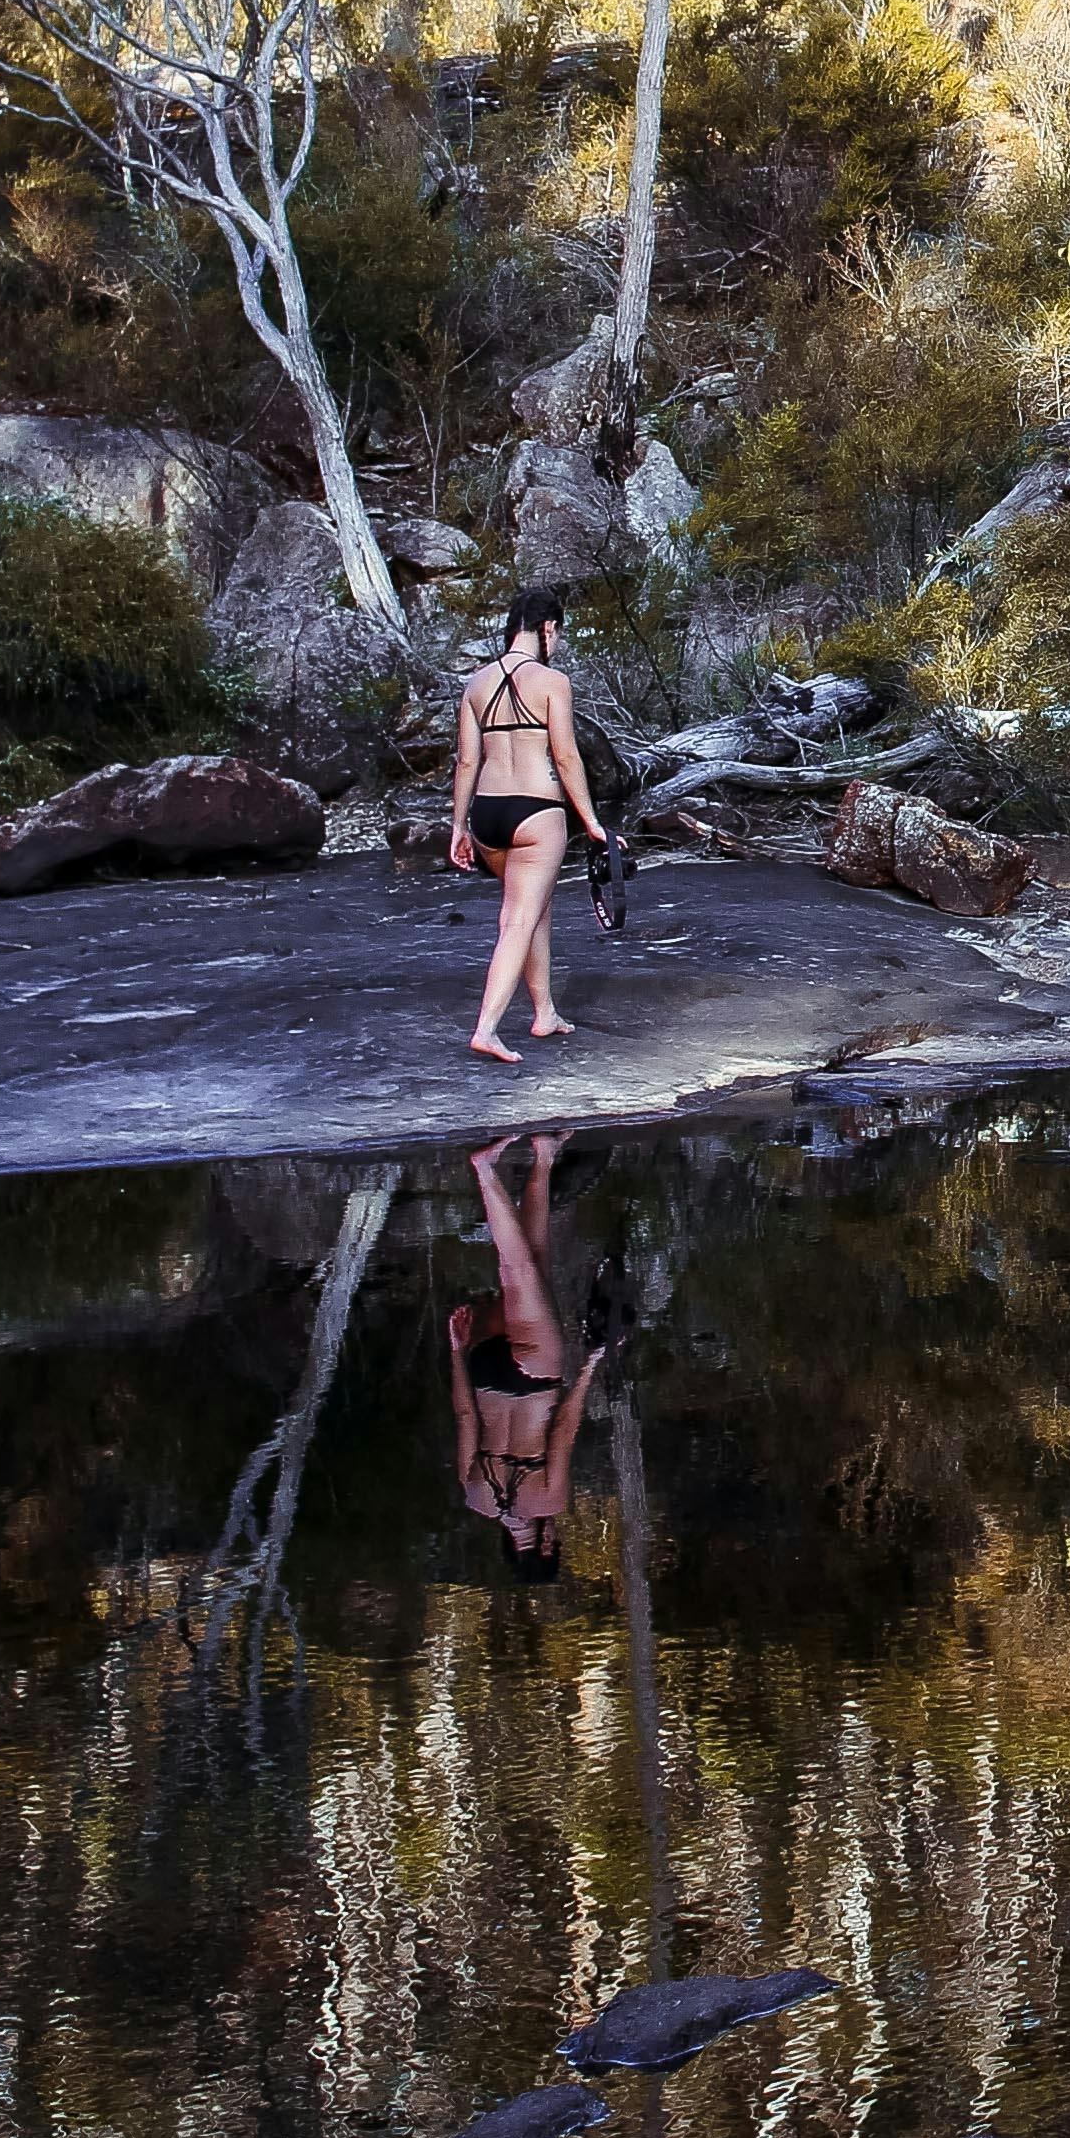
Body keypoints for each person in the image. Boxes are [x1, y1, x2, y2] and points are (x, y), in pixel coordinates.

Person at [446, 586, 606, 1063]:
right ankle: (487, 1029)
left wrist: (458, 827)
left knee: (534, 907)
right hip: (536, 811)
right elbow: (567, 756)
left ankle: (545, 1013)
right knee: (518, 918)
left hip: (487, 815)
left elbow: (466, 762)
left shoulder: (476, 684)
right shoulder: (552, 682)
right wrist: (591, 821)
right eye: (558, 632)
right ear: (547, 628)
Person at [443, 1128, 608, 1577]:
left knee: (517, 1270)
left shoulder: (547, 1501)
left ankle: (484, 1169)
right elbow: (465, 1417)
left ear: (545, 1548)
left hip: (535, 1377)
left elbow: (564, 1430)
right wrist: (457, 1352)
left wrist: (590, 1365)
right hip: (485, 1372)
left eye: (555, 1542)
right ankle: (544, 1156)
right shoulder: (477, 1499)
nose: (556, 1534)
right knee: (535, 1268)